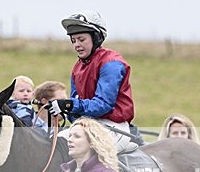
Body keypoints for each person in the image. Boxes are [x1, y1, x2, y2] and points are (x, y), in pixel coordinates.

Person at [49, 11, 137, 153]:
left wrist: (70, 104)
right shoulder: (77, 68)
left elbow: (103, 105)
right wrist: (64, 110)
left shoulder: (111, 63)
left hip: (113, 126)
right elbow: (76, 107)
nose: (77, 44)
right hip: (86, 126)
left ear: (96, 38)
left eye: (81, 39)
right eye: (73, 40)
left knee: (83, 152)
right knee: (54, 147)